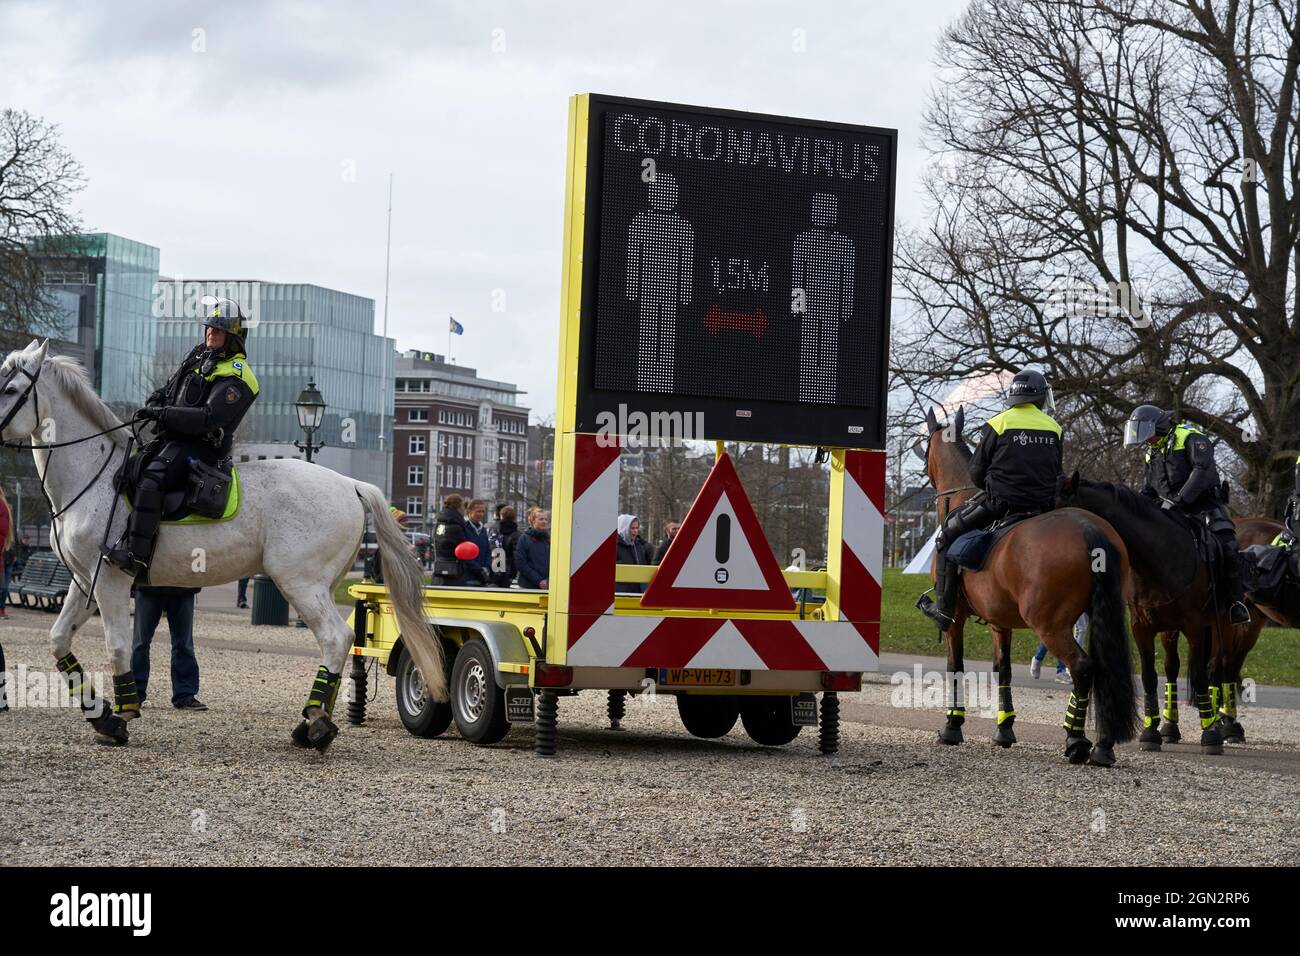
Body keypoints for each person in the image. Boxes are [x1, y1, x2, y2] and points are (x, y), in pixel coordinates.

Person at [103, 298, 258, 575]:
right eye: (209, 328)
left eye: (218, 330)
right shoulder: (199, 357)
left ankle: (136, 556)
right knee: (131, 470)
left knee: (153, 479)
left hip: (203, 447)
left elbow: (208, 418)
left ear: (234, 339)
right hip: (174, 439)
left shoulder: (239, 376)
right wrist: (154, 404)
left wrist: (163, 415)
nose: (211, 333)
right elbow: (168, 389)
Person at [917, 369, 1063, 630]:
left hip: (1001, 504)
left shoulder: (998, 424)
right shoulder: (1054, 427)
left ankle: (944, 609)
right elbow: (1055, 470)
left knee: (947, 534)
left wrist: (990, 487)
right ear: (1041, 397)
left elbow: (975, 470)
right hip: (1044, 507)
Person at [1124, 405, 1250, 625]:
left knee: (1228, 546)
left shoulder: (1191, 438)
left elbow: (1202, 471)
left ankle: (1235, 603)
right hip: (1170, 511)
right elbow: (1149, 489)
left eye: (1147, 434)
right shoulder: (1152, 451)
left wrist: (1179, 500)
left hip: (1204, 506)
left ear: (1159, 427)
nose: (1145, 441)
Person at [131, 585, 206, 710]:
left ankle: (184, 695)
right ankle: (184, 694)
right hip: (161, 586)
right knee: (141, 644)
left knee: (182, 644)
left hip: (173, 586)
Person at [432, 493, 472, 585]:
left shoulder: (439, 523)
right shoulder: (456, 526)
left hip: (439, 568)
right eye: (462, 506)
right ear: (458, 506)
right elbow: (464, 549)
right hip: (454, 571)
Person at [516, 509, 551, 590]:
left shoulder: (550, 539)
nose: (544, 522)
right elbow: (520, 563)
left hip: (547, 586)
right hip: (527, 586)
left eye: (546, 519)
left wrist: (548, 580)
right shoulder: (524, 539)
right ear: (533, 521)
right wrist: (538, 580)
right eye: (541, 519)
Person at [616, 514, 651, 593]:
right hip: (620, 594)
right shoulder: (614, 547)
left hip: (637, 593)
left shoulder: (638, 546)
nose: (636, 531)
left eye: (637, 528)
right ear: (623, 528)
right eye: (632, 528)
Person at [463, 499, 493, 586]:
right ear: (470, 511)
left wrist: (486, 566)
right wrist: (478, 569)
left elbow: (487, 549)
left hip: (482, 575)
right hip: (468, 575)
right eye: (478, 511)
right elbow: (464, 553)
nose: (481, 514)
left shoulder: (483, 529)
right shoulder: (464, 528)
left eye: (483, 511)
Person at [490, 505, 520, 587]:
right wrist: (513, 573)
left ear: (501, 516)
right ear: (514, 517)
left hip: (495, 568)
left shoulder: (494, 530)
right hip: (509, 570)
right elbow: (516, 555)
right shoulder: (517, 534)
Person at [0, 486, 12, 619]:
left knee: (3, 588)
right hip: (4, 557)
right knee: (3, 587)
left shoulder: (2, 506)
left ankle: (1, 609)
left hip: (7, 557)